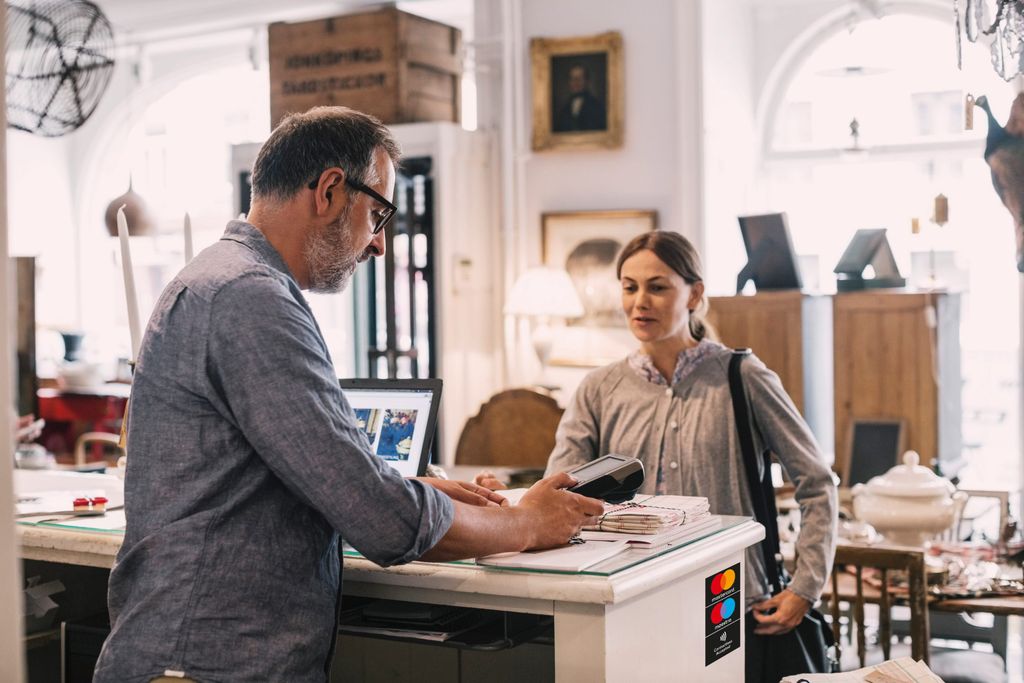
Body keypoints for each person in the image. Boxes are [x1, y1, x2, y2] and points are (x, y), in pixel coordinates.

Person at [93, 106, 603, 683]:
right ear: (331, 190)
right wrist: (528, 524)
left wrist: (411, 486)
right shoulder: (250, 297)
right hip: (209, 662)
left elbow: (286, 479)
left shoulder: (221, 279)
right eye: (378, 215)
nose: (379, 245)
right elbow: (380, 519)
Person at [478, 231, 837, 683]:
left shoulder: (744, 377)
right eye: (629, 287)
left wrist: (806, 587)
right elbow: (558, 491)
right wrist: (508, 501)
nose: (639, 301)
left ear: (695, 294)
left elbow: (817, 481)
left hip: (731, 601)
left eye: (657, 286)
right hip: (630, 599)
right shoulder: (599, 388)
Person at [553, 63, 607, 132]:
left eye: (579, 78)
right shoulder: (564, 109)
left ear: (587, 81)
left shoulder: (596, 106)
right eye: (572, 78)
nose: (575, 82)